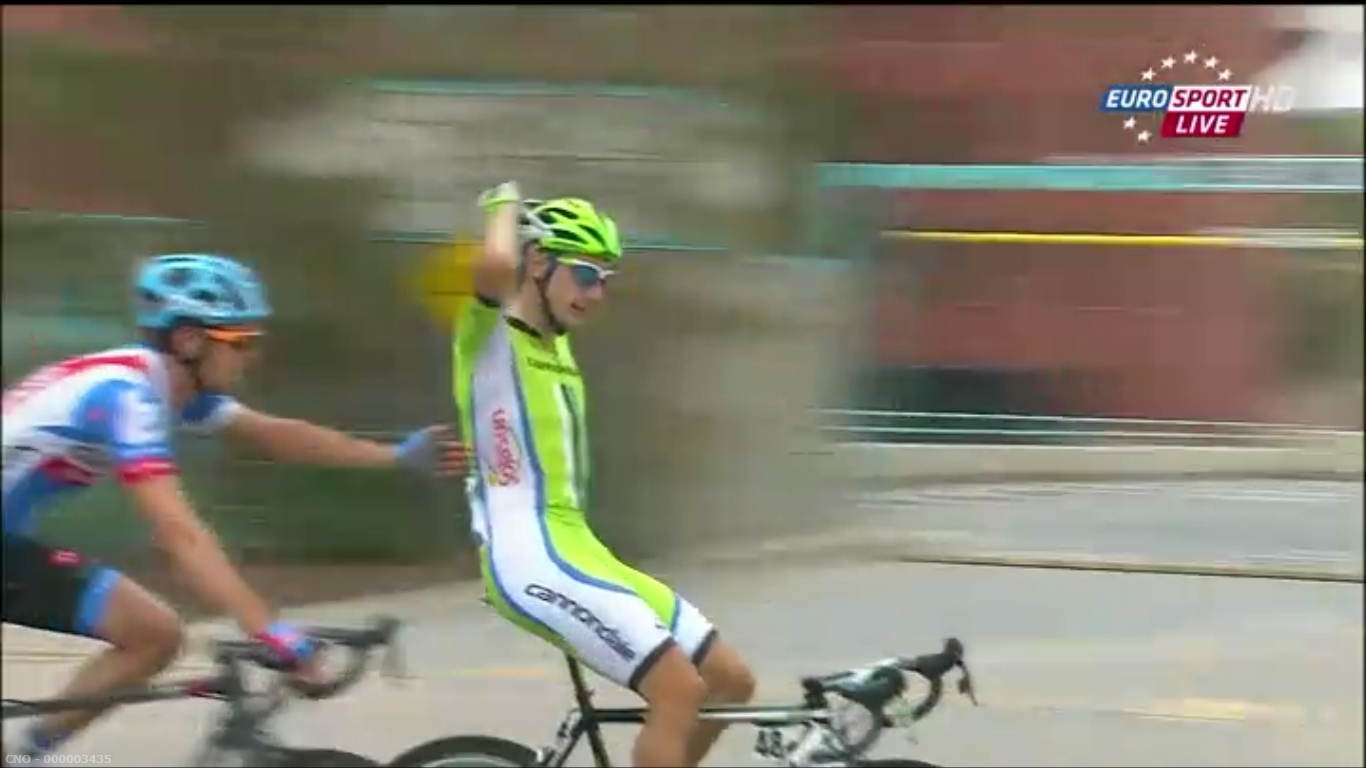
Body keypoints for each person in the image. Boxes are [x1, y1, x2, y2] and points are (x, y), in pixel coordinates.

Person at [2, 253, 467, 759]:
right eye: (240, 341)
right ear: (189, 341)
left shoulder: (157, 383)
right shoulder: (126, 399)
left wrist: (394, 456)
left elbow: (276, 435)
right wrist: (269, 630)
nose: (253, 356)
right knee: (152, 632)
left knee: (152, 634)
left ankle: (23, 754)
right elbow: (180, 534)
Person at [454, 183, 757, 768]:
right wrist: (503, 206)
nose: (596, 294)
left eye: (605, 280)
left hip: (581, 548)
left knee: (730, 681)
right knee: (678, 690)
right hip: (528, 554)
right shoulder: (488, 337)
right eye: (586, 274)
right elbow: (492, 267)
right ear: (537, 262)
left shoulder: (558, 347)